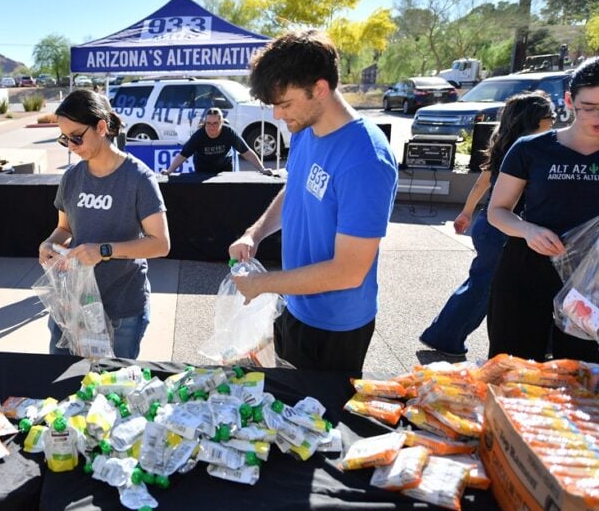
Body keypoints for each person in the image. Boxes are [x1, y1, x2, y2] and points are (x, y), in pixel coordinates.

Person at [228, 30, 398, 371]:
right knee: (286, 397)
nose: (277, 116)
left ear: (320, 89)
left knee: (320, 405)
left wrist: (262, 284)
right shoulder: (305, 130)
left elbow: (349, 271)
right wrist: (254, 233)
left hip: (336, 327)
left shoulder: (366, 158)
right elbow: (294, 190)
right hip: (295, 305)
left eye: (285, 104)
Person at [419, 92, 556, 357]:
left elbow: (482, 183)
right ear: (533, 119)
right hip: (500, 231)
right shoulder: (526, 151)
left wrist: (467, 213)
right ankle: (444, 337)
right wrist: (466, 213)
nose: (554, 121)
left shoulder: (506, 146)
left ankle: (546, 343)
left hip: (492, 227)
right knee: (484, 287)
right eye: (549, 116)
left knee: (490, 284)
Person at [39, 89, 170, 359]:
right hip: (73, 304)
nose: (71, 146)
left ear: (101, 127)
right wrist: (50, 244)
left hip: (122, 309)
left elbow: (160, 244)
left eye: (76, 137)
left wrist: (104, 251)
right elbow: (65, 229)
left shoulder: (139, 178)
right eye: (64, 139)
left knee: (112, 382)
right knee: (57, 377)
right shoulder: (72, 177)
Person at [487, 57, 599, 362]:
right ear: (569, 101)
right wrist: (528, 230)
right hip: (528, 272)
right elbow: (497, 211)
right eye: (589, 107)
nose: (597, 117)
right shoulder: (530, 148)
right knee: (513, 369)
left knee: (582, 376)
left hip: (592, 284)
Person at [161, 108, 274, 176]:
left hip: (225, 168)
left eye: (215, 123)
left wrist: (262, 169)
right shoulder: (199, 135)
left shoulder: (229, 132)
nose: (211, 127)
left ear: (221, 122)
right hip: (203, 170)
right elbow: (183, 155)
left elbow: (247, 152)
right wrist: (169, 171)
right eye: (208, 123)